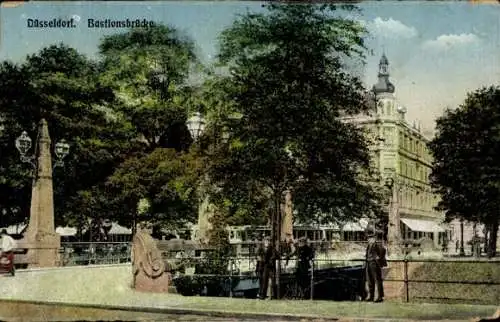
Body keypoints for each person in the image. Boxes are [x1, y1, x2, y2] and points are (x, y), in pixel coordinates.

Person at [364, 228, 386, 303]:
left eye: (370, 237)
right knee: (370, 280)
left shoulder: (377, 244)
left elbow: (383, 251)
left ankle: (380, 297)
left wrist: (378, 259)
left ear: (373, 237)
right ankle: (371, 296)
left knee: (377, 280)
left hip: (374, 263)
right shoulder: (369, 244)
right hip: (368, 263)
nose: (368, 239)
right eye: (368, 237)